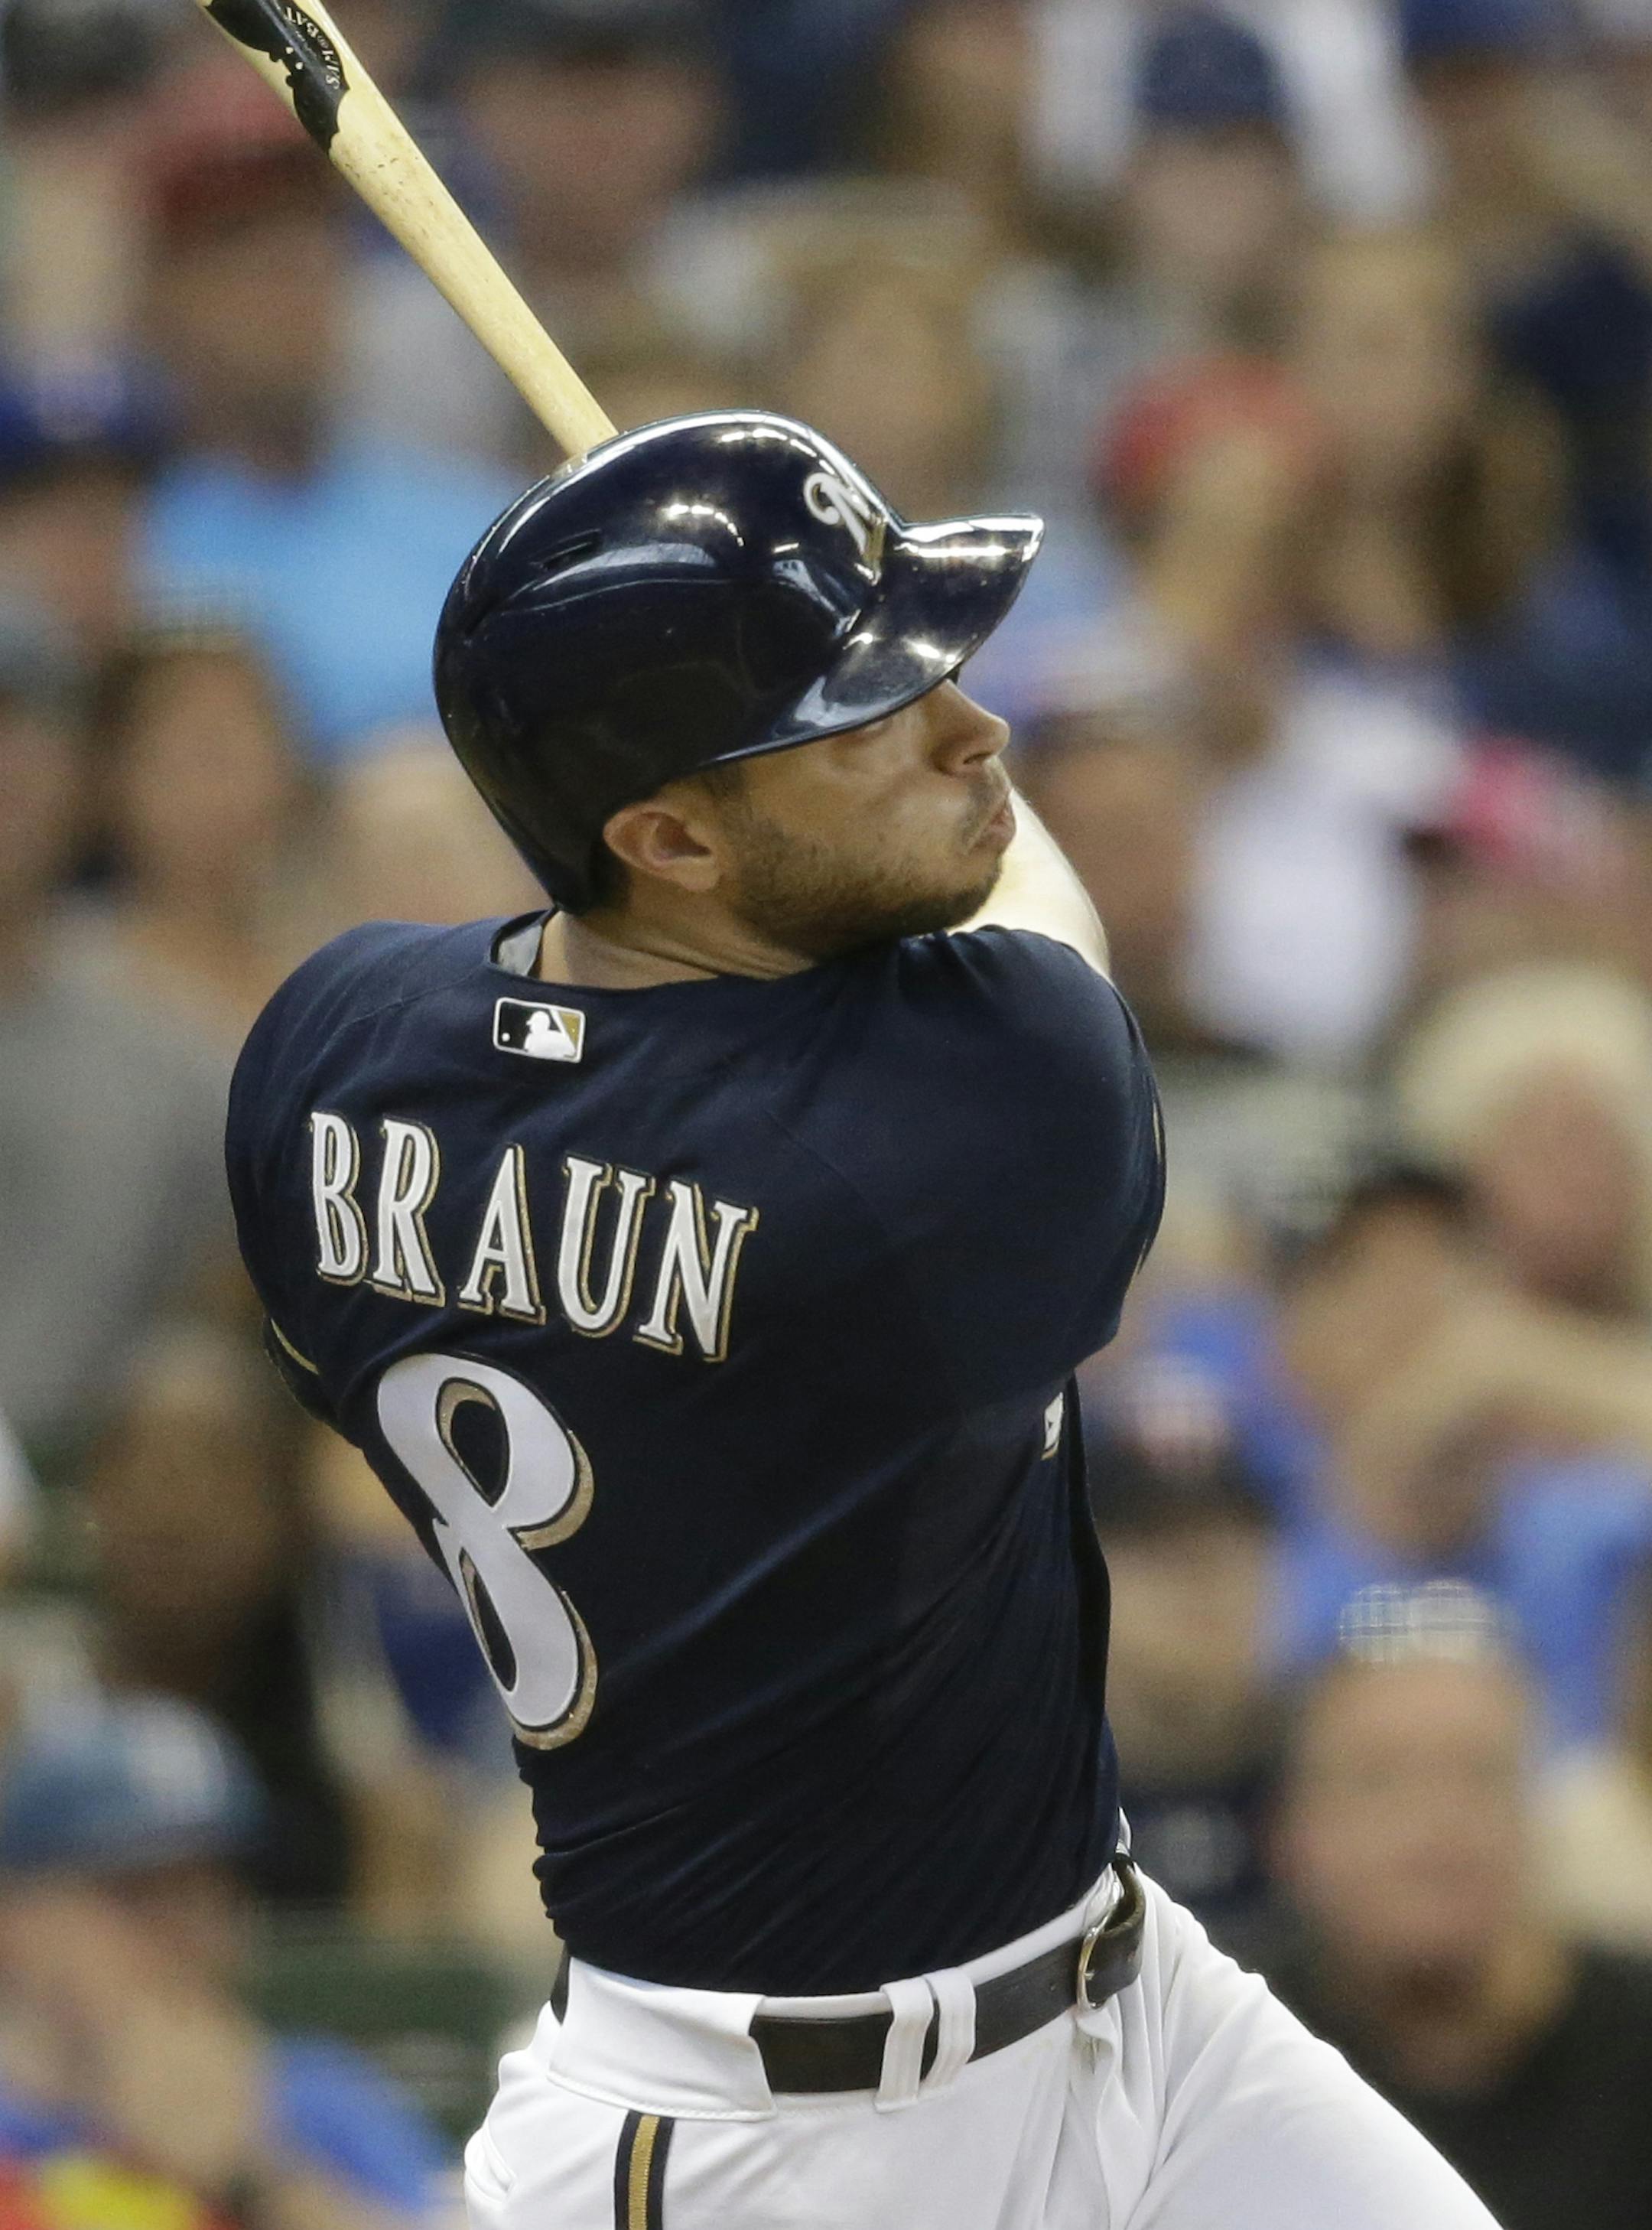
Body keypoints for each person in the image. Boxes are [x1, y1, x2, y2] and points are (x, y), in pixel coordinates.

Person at [226, 409, 1498, 2227]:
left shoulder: (329, 1052)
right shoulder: (947, 1125)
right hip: (768, 2142)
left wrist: (775, 675)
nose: (977, 731)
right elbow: (1039, 919)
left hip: (1128, 2005)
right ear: (666, 832)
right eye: (870, 723)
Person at [1268, 1588, 1652, 2230]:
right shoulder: (1215, 2046)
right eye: (1380, 1780)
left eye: (1482, 1773)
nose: (1438, 1823)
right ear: (1291, 1832)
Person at [0, 1691, 447, 2226]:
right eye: (137, 1893)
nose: (191, 1931)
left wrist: (256, 2177)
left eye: (213, 1891)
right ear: (17, 1917)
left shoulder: (316, 2095)